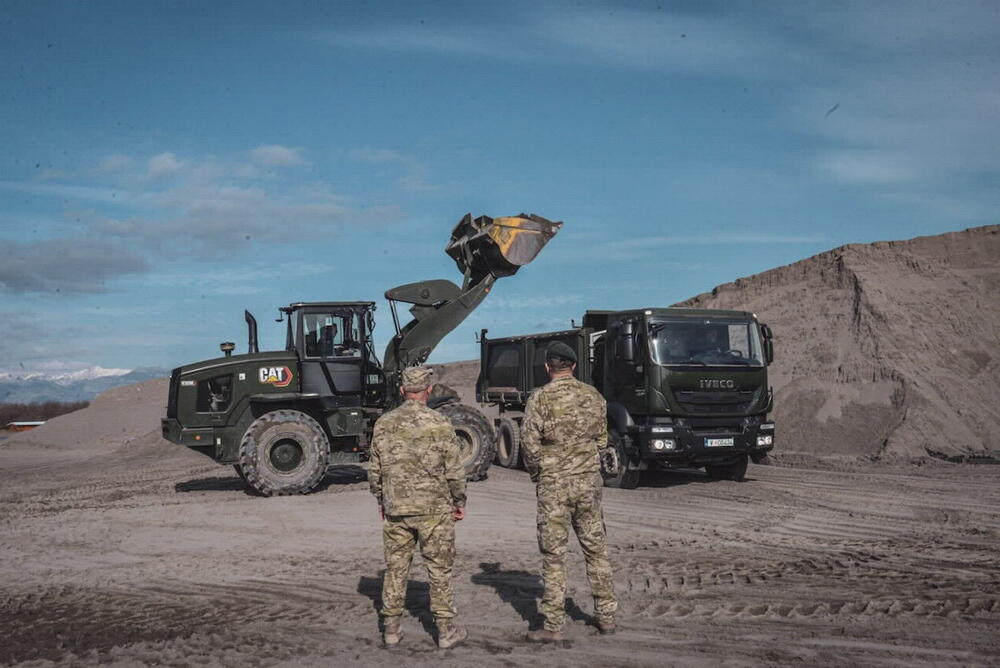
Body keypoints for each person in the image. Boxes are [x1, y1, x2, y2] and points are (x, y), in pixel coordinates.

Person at [520, 341, 618, 642]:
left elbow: (529, 444)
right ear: (573, 366)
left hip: (554, 488)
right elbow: (602, 440)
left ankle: (553, 625)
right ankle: (606, 617)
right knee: (596, 550)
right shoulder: (593, 396)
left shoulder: (539, 398)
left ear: (548, 366)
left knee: (554, 556)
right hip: (588, 485)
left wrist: (540, 473)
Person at [368, 365, 468, 649]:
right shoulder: (440, 422)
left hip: (397, 509)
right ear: (428, 390)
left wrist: (381, 500)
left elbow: (375, 470)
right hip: (434, 510)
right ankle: (447, 632)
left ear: (402, 391)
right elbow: (455, 471)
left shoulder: (384, 424)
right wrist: (458, 501)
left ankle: (391, 629)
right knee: (439, 570)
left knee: (396, 568)